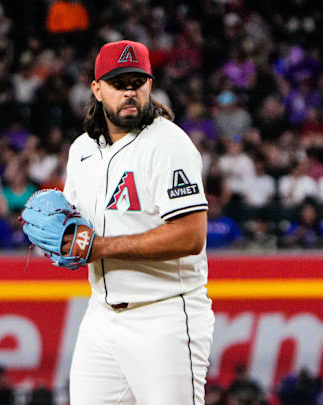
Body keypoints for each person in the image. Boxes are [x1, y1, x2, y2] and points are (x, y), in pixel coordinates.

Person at [61, 40, 214, 404]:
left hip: (164, 317)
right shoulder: (82, 149)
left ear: (150, 84)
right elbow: (73, 223)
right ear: (97, 89)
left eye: (137, 82)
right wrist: (60, 241)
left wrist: (99, 247)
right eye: (119, 83)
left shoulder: (168, 144)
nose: (130, 92)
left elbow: (191, 235)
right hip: (101, 315)